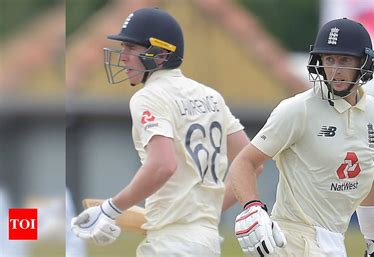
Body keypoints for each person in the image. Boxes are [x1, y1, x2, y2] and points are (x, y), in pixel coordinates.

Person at [71, 7, 252, 257]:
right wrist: (202, 215)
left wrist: (110, 210)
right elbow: (251, 163)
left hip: (170, 246)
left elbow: (162, 165)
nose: (122, 56)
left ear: (160, 54)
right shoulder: (211, 96)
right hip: (207, 240)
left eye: (131, 48)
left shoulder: (149, 97)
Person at [230, 18, 374, 257]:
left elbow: (372, 177)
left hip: (334, 240)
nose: (335, 70)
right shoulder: (298, 109)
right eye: (329, 60)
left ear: (364, 62)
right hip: (291, 239)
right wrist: (252, 207)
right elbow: (244, 162)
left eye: (344, 60)